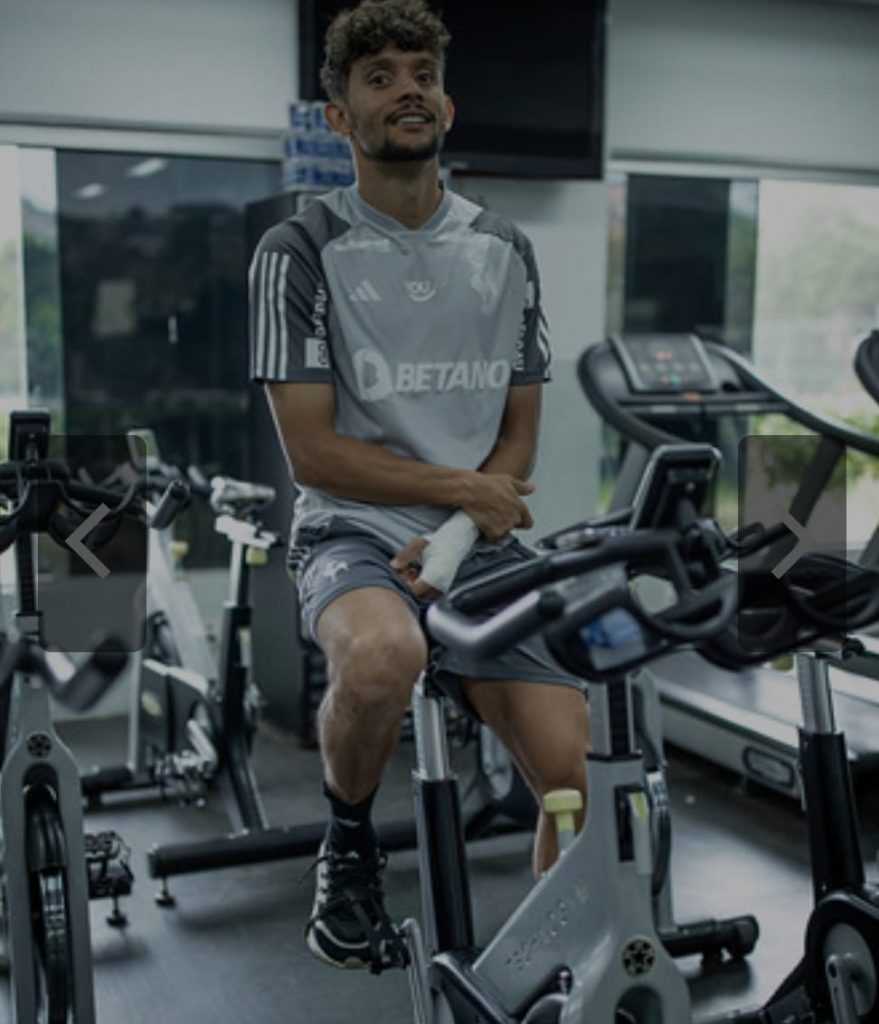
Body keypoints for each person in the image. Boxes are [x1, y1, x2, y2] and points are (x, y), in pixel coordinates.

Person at [249, 0, 589, 973]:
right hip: (352, 532)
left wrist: (457, 528)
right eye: (380, 75)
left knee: (576, 774)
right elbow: (313, 452)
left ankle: (554, 963)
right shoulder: (299, 250)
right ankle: (348, 846)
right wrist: (462, 496)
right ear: (338, 115)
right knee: (379, 655)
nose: (407, 89)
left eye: (421, 74)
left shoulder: (504, 248)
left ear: (447, 102)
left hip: (475, 541)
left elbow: (520, 434)